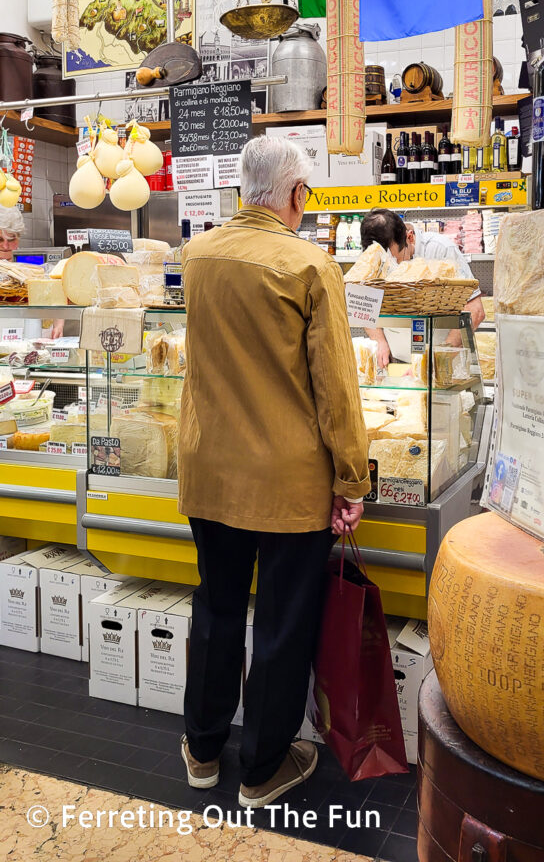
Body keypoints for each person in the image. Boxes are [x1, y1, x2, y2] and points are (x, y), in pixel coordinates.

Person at [177, 135, 371, 809]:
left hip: (208, 469)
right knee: (283, 623)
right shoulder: (311, 266)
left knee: (218, 606)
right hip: (288, 480)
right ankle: (261, 769)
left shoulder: (196, 255)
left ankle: (203, 749)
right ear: (294, 195)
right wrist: (352, 480)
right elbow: (337, 392)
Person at [360, 208, 485, 365]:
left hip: (442, 364)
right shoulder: (375, 256)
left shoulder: (441, 249)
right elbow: (364, 305)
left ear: (409, 237)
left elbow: (475, 311)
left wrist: (440, 357)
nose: (390, 265)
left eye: (394, 258)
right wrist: (380, 342)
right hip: (394, 363)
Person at [0, 207, 63, 339]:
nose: (5, 246)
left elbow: (56, 292)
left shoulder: (30, 272)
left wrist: (58, 324)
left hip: (26, 350)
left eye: (11, 240)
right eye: (0, 239)